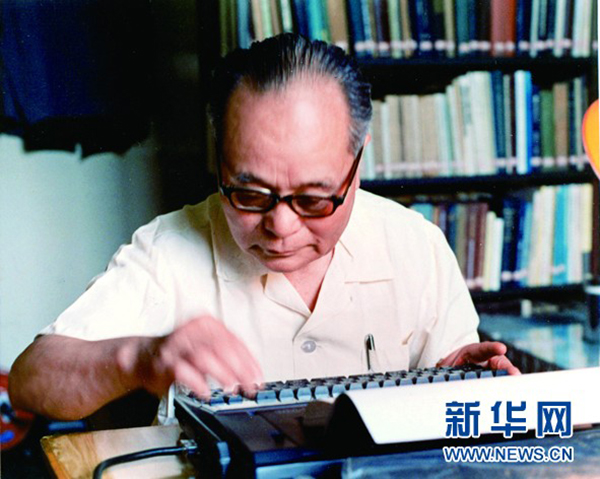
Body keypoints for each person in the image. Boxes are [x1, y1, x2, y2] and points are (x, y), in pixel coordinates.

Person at [9, 34, 518, 422]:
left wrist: (455, 388)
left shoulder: (416, 245)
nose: (280, 226)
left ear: (357, 164)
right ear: (219, 160)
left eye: (313, 199)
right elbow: (31, 382)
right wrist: (140, 358)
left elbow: (453, 421)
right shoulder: (168, 251)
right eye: (250, 195)